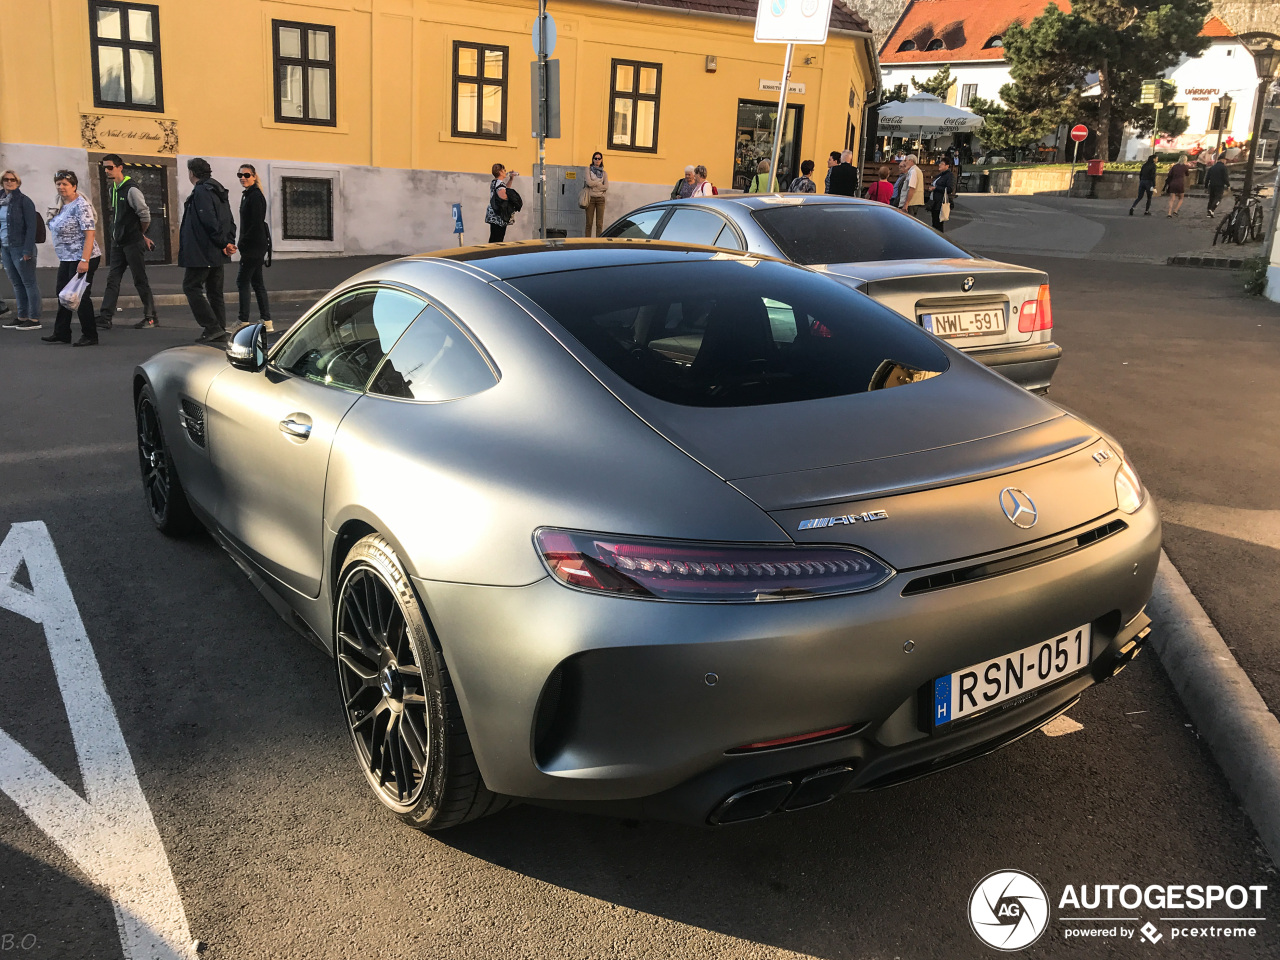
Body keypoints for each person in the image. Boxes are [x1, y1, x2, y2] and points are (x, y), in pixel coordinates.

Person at [95, 154, 158, 331]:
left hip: (132, 242)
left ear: (120, 167)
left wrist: (140, 234)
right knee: (112, 279)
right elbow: (118, 216)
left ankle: (151, 317)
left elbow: (144, 215)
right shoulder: (113, 190)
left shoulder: (131, 190)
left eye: (110, 167)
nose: (107, 171)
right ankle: (106, 316)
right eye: (105, 168)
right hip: (118, 242)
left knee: (140, 279)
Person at [178, 157, 237, 344]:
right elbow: (229, 219)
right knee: (214, 291)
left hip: (202, 251)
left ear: (192, 173)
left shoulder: (202, 191)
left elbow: (208, 220)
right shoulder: (218, 190)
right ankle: (218, 328)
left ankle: (212, 327)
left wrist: (222, 243)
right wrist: (228, 242)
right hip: (216, 251)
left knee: (191, 287)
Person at [41, 170, 101, 347]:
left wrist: (85, 261)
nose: (61, 187)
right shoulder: (61, 204)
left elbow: (90, 234)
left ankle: (90, 335)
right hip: (67, 257)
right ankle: (62, 332)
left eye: (65, 184)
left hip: (82, 256)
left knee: (79, 296)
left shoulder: (81, 205)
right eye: (58, 184)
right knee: (62, 293)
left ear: (74, 186)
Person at [0, 170, 43, 330]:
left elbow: (31, 227)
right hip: (6, 247)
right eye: (6, 179)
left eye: (13, 180)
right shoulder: (1, 200)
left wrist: (27, 251)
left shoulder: (24, 201)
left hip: (21, 247)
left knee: (29, 282)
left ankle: (34, 318)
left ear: (18, 183)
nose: (9, 182)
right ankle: (22, 316)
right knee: (17, 283)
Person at [235, 164, 272, 331]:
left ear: (254, 176)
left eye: (247, 175)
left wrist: (243, 241)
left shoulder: (255, 196)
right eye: (240, 175)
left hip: (253, 246)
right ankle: (267, 321)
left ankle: (243, 321)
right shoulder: (249, 195)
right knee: (257, 282)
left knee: (242, 281)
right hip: (254, 245)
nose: (243, 178)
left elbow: (256, 223)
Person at [484, 163, 518, 243]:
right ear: (500, 172)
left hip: (493, 212)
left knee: (494, 236)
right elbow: (502, 195)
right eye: (504, 170)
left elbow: (504, 189)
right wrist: (512, 199)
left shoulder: (495, 182)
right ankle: (494, 253)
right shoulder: (499, 183)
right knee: (498, 237)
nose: (505, 172)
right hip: (499, 214)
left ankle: (491, 252)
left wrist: (511, 179)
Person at [584, 152, 608, 237]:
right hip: (590, 199)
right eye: (595, 158)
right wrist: (598, 183)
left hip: (600, 199)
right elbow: (588, 183)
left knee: (599, 224)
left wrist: (594, 186)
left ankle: (598, 243)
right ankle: (587, 243)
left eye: (599, 158)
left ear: (601, 160)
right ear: (593, 159)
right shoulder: (588, 170)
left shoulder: (604, 173)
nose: (597, 160)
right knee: (589, 223)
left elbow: (606, 186)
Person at [929, 157, 954, 231]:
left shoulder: (949, 176)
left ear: (947, 166)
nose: (940, 165)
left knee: (938, 224)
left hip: (940, 202)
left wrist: (936, 188)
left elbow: (949, 189)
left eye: (942, 164)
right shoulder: (940, 175)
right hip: (935, 201)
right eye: (940, 163)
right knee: (934, 222)